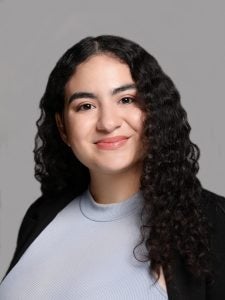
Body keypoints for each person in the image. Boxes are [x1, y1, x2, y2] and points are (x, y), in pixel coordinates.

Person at [0, 35, 224, 300]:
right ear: (62, 127)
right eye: (86, 106)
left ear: (155, 110)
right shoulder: (42, 215)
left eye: (126, 99)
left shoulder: (213, 224)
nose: (107, 123)